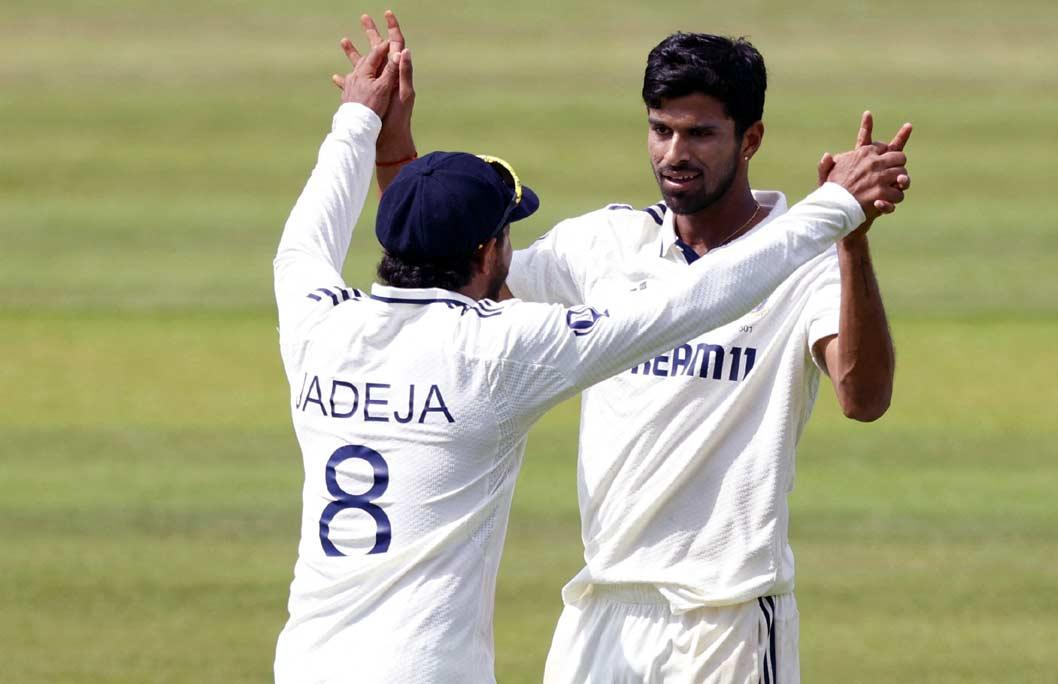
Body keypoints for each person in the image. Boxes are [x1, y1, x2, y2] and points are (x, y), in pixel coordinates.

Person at [280, 15, 909, 684]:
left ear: (749, 138)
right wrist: (835, 205)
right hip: (600, 606)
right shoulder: (600, 248)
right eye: (661, 129)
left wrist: (847, 238)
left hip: (724, 613)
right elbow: (455, 262)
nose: (675, 153)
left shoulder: (318, 320)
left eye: (699, 134)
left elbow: (863, 398)